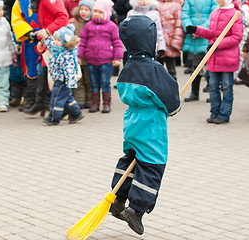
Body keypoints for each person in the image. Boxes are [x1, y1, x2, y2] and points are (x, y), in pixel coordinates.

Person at [108, 15, 180, 235]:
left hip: (132, 122)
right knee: (152, 165)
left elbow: (122, 91)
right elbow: (171, 101)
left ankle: (118, 199)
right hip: (151, 125)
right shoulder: (154, 69)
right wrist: (170, 109)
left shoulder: (128, 67)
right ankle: (136, 210)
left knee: (130, 160)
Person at [185, 0, 243, 124]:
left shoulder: (235, 14)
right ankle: (214, 112)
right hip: (213, 57)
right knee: (212, 87)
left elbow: (236, 37)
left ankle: (224, 114)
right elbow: (212, 34)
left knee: (227, 87)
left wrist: (218, 45)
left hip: (227, 57)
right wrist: (196, 30)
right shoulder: (214, 13)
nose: (218, 1)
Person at [24, 0, 69, 116]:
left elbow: (63, 17)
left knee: (55, 78)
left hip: (55, 42)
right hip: (48, 42)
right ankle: (41, 103)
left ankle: (64, 109)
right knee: (41, 70)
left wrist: (48, 31)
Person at [78, 0, 123, 113]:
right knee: (94, 83)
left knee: (105, 83)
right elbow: (82, 42)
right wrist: (78, 56)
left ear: (106, 14)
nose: (97, 14)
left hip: (106, 61)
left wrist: (117, 58)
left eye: (100, 12)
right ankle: (95, 103)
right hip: (91, 60)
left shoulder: (112, 26)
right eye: (95, 12)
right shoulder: (88, 26)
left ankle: (106, 104)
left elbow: (117, 42)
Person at [38, 24, 84, 125]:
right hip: (58, 78)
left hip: (62, 80)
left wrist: (70, 82)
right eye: (56, 39)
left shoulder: (66, 55)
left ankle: (53, 118)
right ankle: (76, 113)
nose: (55, 42)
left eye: (58, 40)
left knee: (56, 98)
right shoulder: (58, 49)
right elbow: (50, 44)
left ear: (65, 42)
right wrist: (45, 38)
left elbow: (70, 69)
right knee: (67, 98)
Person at [181, 0, 217, 102]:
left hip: (207, 35)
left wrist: (200, 30)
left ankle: (212, 93)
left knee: (210, 66)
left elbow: (214, 16)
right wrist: (190, 28)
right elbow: (185, 15)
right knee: (195, 66)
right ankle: (194, 92)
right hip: (193, 37)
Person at [11, 0, 41, 112]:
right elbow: (17, 18)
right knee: (31, 70)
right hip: (29, 40)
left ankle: (45, 101)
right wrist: (27, 32)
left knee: (47, 69)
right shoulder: (20, 2)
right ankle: (31, 99)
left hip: (47, 38)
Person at [70, 0, 94, 109]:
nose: (83, 12)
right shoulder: (73, 24)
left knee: (89, 80)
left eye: (86, 10)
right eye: (82, 9)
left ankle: (90, 100)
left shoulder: (92, 24)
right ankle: (80, 100)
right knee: (78, 80)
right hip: (77, 57)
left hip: (89, 57)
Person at [156, 0, 184, 80]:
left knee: (171, 70)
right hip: (158, 41)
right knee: (157, 71)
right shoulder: (155, 5)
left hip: (170, 41)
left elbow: (179, 25)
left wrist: (176, 42)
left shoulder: (176, 6)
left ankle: (173, 90)